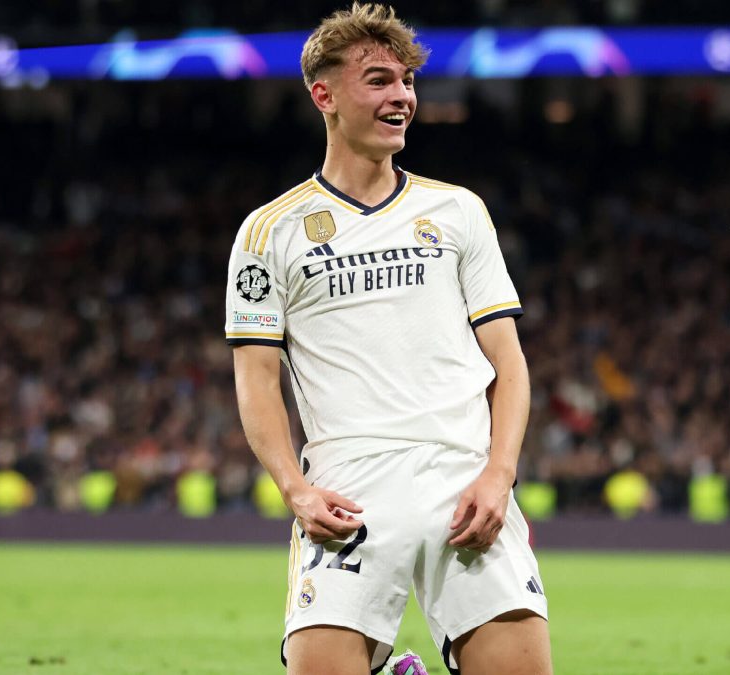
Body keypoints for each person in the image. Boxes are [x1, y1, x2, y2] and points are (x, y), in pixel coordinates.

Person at [225, 5, 551, 674]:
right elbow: (257, 379)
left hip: (463, 483)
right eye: (378, 80)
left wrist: (499, 473)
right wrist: (296, 490)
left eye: (405, 81)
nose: (401, 96)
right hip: (351, 494)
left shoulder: (457, 211)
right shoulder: (269, 232)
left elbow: (509, 365)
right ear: (325, 95)